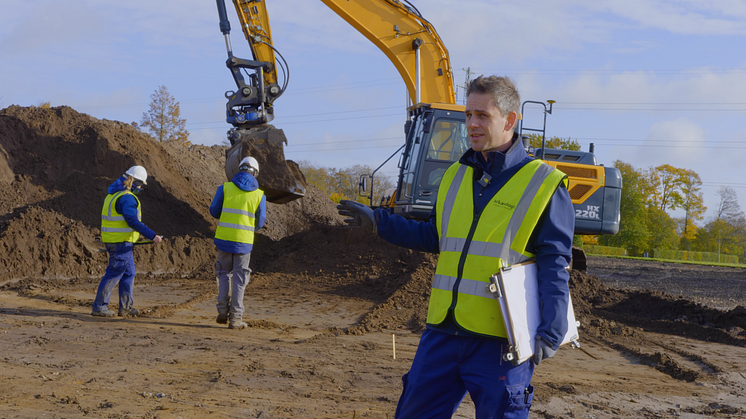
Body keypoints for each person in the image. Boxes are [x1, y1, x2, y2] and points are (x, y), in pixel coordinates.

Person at [337, 75, 575, 418]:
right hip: (443, 334)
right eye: (468, 115)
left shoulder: (545, 185)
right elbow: (437, 237)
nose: (472, 125)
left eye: (482, 116)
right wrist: (379, 222)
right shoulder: (455, 176)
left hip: (501, 341)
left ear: (509, 120)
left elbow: (555, 263)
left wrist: (551, 330)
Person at [93, 165, 164, 317]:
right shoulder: (126, 197)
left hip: (120, 242)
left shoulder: (113, 195)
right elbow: (132, 220)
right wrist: (152, 235)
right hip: (120, 242)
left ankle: (125, 307)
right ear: (132, 181)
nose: (140, 188)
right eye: (139, 185)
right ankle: (99, 306)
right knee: (114, 273)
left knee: (129, 273)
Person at [209, 156, 266, 330]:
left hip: (224, 239)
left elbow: (214, 210)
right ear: (255, 173)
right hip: (243, 242)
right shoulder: (259, 195)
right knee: (240, 280)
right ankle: (235, 318)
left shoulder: (225, 188)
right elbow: (260, 221)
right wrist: (249, 228)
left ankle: (221, 310)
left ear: (239, 169)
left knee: (224, 274)